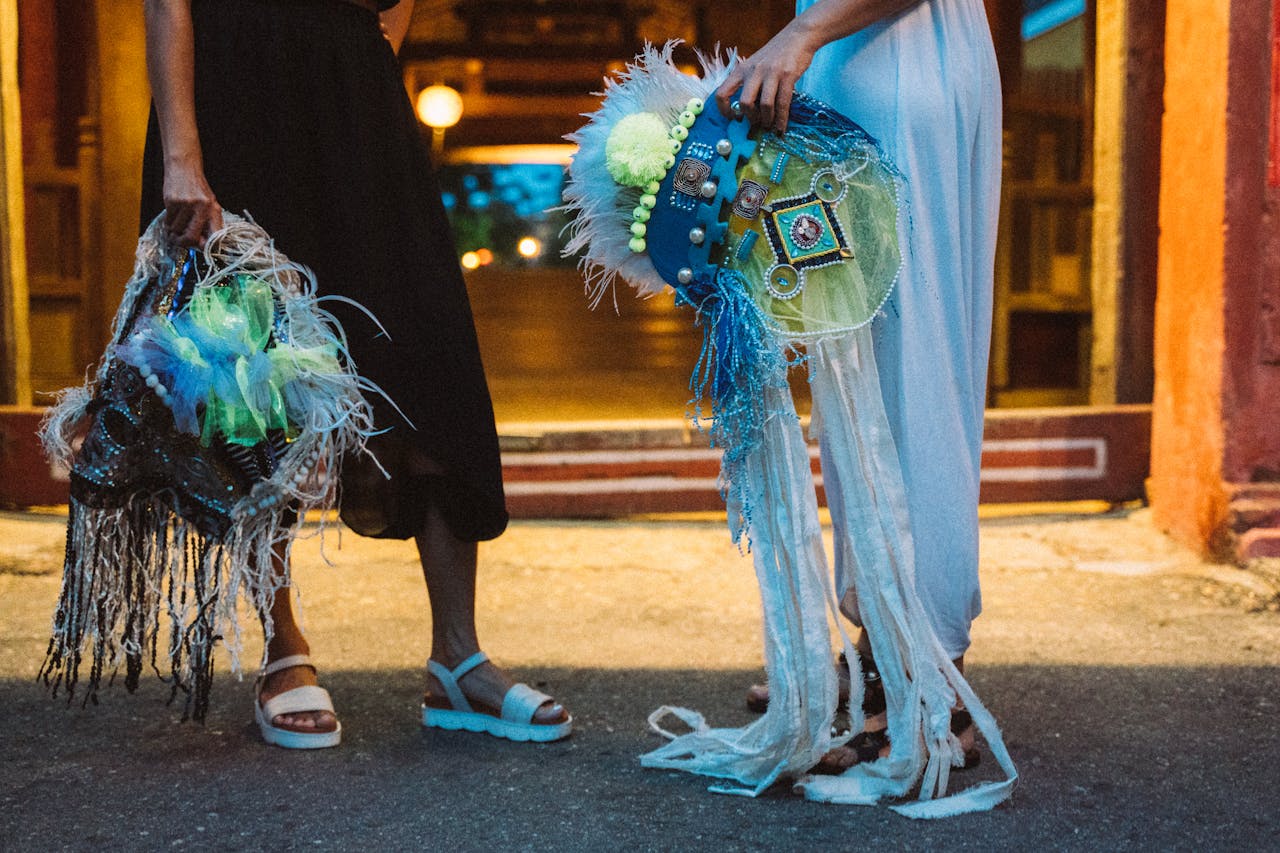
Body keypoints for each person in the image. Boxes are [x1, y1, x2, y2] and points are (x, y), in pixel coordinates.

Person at [141, 0, 570, 746]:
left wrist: (362, 61)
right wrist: (183, 152)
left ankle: (457, 656)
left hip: (355, 96)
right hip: (233, 89)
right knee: (255, 376)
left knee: (429, 353)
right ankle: (284, 651)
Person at [717, 0, 1001, 770]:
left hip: (896, 64)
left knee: (912, 381)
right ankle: (889, 663)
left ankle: (930, 687)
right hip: (872, 65)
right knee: (869, 385)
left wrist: (801, 34)